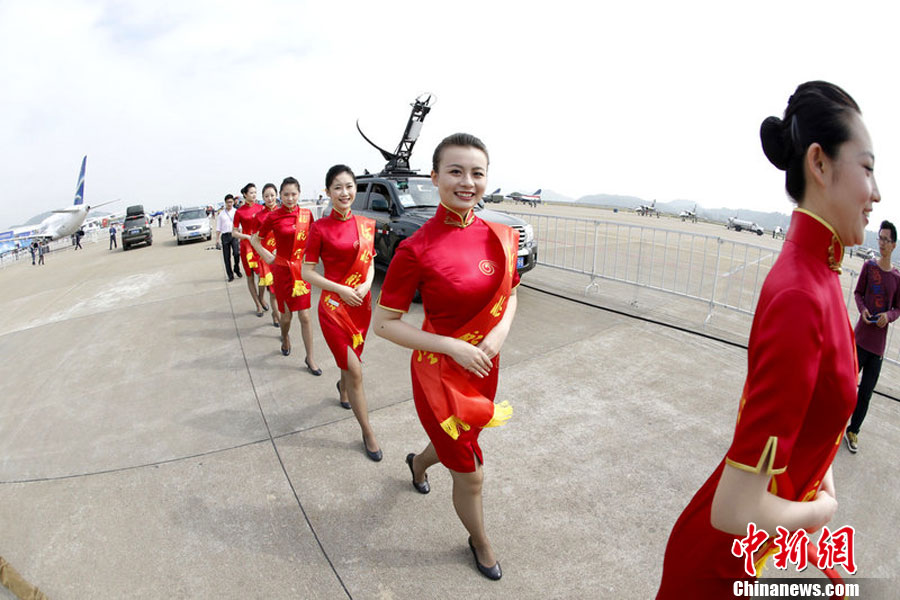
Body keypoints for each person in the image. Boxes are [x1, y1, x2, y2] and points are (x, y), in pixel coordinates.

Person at [657, 81, 880, 597]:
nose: (876, 192)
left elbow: (812, 422)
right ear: (819, 164)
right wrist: (822, 511)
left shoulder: (821, 276)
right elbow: (735, 509)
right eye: (867, 168)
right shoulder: (802, 293)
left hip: (751, 560)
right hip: (717, 571)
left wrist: (819, 482)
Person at [373, 133, 518, 581]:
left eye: (477, 173)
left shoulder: (500, 236)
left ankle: (418, 463)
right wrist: (453, 346)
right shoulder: (416, 247)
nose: (467, 182)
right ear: (434, 178)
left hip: (483, 367)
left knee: (460, 443)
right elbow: (385, 324)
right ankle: (480, 540)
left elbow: (512, 294)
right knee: (470, 471)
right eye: (455, 171)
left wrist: (497, 335)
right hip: (440, 377)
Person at [302, 165, 382, 461]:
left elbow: (370, 262)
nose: (344, 192)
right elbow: (306, 272)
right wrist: (340, 289)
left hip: (360, 304)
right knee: (356, 370)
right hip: (334, 308)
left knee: (350, 363)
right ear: (328, 192)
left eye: (349, 186)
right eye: (337, 187)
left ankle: (342, 386)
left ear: (355, 189)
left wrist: (367, 284)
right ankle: (367, 431)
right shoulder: (319, 228)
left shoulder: (365, 225)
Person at [250, 177, 321, 375]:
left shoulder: (306, 215)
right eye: (286, 194)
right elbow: (256, 240)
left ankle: (310, 357)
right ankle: (285, 336)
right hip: (282, 271)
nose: (290, 198)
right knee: (287, 316)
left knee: (305, 316)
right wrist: (268, 257)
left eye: (294, 194)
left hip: (301, 271)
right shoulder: (273, 217)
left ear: (299, 194)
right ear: (280, 195)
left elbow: (314, 241)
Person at [845, 220, 900, 453]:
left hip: (877, 347)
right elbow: (858, 293)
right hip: (860, 339)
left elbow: (898, 308)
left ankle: (853, 431)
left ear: (894, 245)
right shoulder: (869, 267)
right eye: (880, 238)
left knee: (865, 393)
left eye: (887, 240)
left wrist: (888, 316)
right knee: (846, 386)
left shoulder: (897, 277)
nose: (882, 243)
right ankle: (832, 424)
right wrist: (863, 310)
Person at [232, 183, 269, 317]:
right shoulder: (239, 212)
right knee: (250, 276)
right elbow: (234, 232)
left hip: (259, 246)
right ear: (245, 194)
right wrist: (247, 236)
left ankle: (261, 297)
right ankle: (257, 304)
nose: (254, 195)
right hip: (246, 248)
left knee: (262, 274)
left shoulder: (261, 208)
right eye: (251, 193)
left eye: (255, 192)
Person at [257, 183, 281, 328]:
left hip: (283, 257)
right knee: (273, 293)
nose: (270, 198)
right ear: (263, 197)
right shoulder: (259, 216)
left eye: (272, 195)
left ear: (277, 195)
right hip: (267, 259)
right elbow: (255, 239)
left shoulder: (283, 213)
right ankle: (278, 318)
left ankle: (276, 314)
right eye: (266, 196)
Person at [215, 194, 242, 282]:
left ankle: (236, 268)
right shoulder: (221, 214)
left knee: (236, 254)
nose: (229, 204)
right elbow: (218, 228)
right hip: (225, 236)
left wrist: (241, 235)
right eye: (227, 202)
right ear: (225, 203)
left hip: (234, 235)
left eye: (231, 202)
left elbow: (240, 225)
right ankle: (230, 275)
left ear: (233, 202)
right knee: (226, 257)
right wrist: (217, 239)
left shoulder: (236, 212)